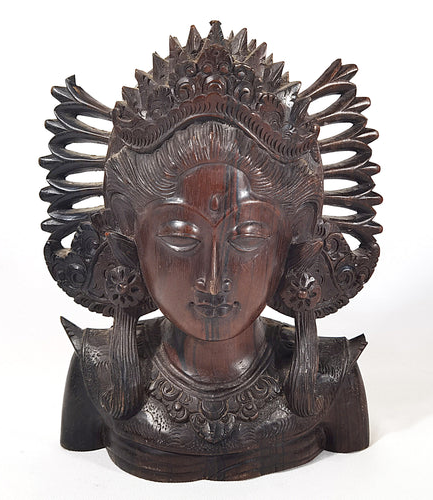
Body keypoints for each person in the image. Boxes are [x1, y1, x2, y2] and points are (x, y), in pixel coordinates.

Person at [41, 22, 381, 481]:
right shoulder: (97, 374)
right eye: (181, 239)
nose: (214, 277)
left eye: (247, 238)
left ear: (295, 235)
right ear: (127, 227)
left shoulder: (331, 379)